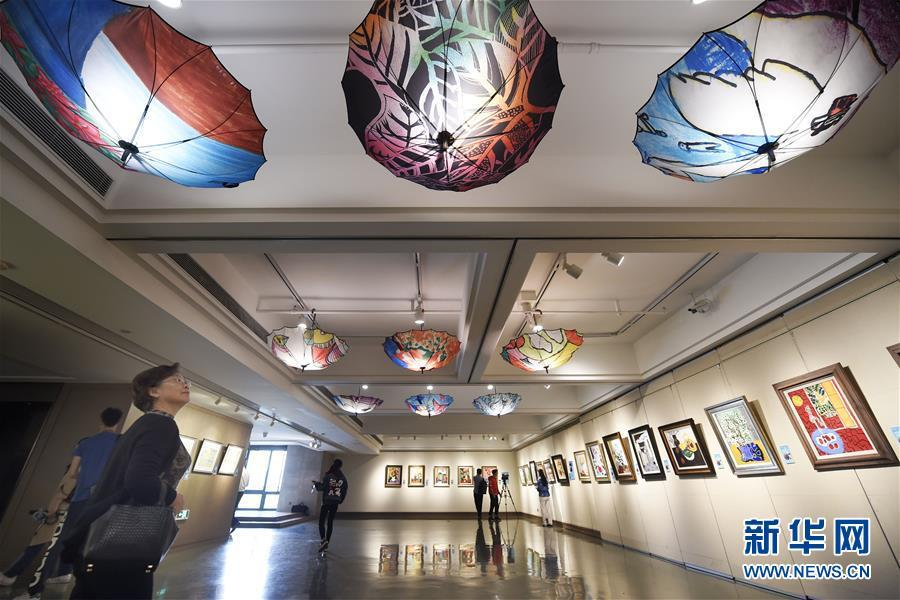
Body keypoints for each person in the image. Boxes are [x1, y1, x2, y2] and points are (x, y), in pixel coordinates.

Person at [62, 363, 192, 600]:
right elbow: (139, 480)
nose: (185, 384)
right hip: (123, 535)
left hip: (106, 533)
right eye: (176, 380)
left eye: (185, 380)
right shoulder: (161, 424)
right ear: (153, 391)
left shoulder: (147, 424)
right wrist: (173, 497)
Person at [42, 407, 123, 588]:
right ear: (118, 423)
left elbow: (72, 473)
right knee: (97, 540)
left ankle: (48, 580)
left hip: (82, 496)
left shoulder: (85, 443)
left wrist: (85, 477)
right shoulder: (121, 442)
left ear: (101, 421)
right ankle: (83, 581)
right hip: (105, 498)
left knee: (65, 538)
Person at [0, 469, 76, 597]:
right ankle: (63, 572)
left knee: (38, 544)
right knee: (59, 545)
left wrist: (51, 510)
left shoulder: (77, 468)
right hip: (68, 512)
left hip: (59, 512)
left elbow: (63, 492)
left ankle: (12, 576)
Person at [313, 459, 348, 553]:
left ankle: (323, 539)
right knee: (330, 522)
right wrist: (340, 499)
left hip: (327, 501)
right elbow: (344, 490)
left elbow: (323, 488)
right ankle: (327, 541)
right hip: (335, 502)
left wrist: (316, 485)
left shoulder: (328, 476)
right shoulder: (343, 478)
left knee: (321, 522)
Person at [230, 456, 250, 534]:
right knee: (233, 508)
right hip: (241, 492)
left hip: (236, 491)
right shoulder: (247, 472)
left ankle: (234, 522)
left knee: (230, 509)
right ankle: (233, 522)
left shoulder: (238, 471)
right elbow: (247, 484)